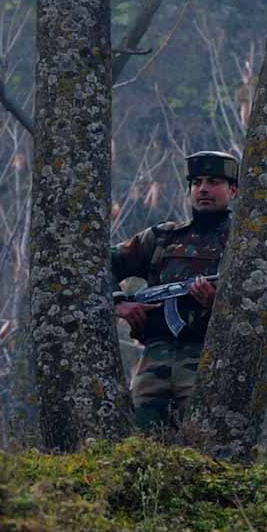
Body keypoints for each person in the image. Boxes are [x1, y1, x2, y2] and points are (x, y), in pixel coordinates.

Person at [110, 150, 236, 431]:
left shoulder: (242, 245)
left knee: (203, 450)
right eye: (197, 182)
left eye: (214, 181)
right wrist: (119, 302)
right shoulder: (163, 238)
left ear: (233, 190)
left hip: (208, 361)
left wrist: (219, 304)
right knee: (140, 446)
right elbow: (102, 262)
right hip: (154, 360)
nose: (203, 189)